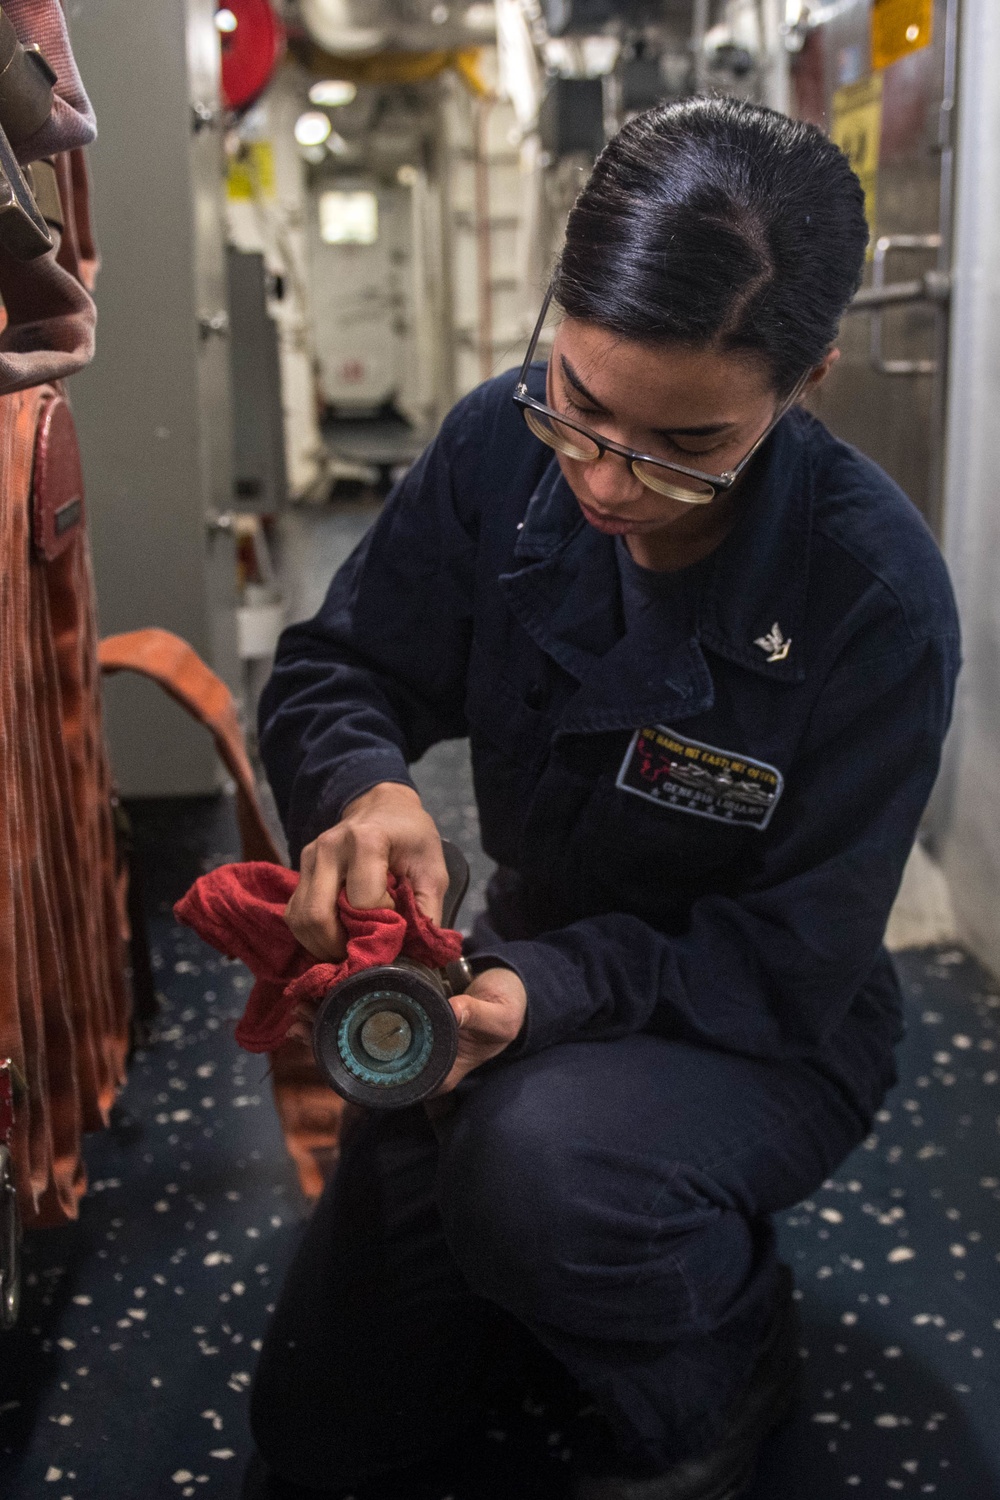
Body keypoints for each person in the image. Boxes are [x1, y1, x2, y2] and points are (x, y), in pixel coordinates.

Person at [243, 97, 960, 1500]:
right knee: (325, 1434)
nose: (604, 482)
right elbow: (339, 668)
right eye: (577, 403)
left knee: (539, 1176)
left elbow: (786, 960)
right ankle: (553, 1279)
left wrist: (536, 999)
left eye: (684, 444)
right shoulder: (495, 452)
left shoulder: (874, 603)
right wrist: (367, 786)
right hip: (517, 955)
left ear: (804, 381)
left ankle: (726, 1350)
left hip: (757, 1023)